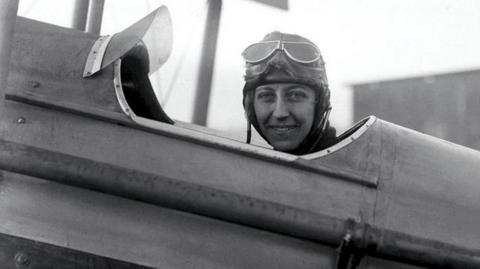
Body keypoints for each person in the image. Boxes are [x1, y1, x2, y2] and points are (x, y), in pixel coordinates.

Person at [241, 31, 338, 155]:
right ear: (250, 105)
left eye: (295, 95)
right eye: (266, 96)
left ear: (320, 104)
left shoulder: (356, 168)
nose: (280, 113)